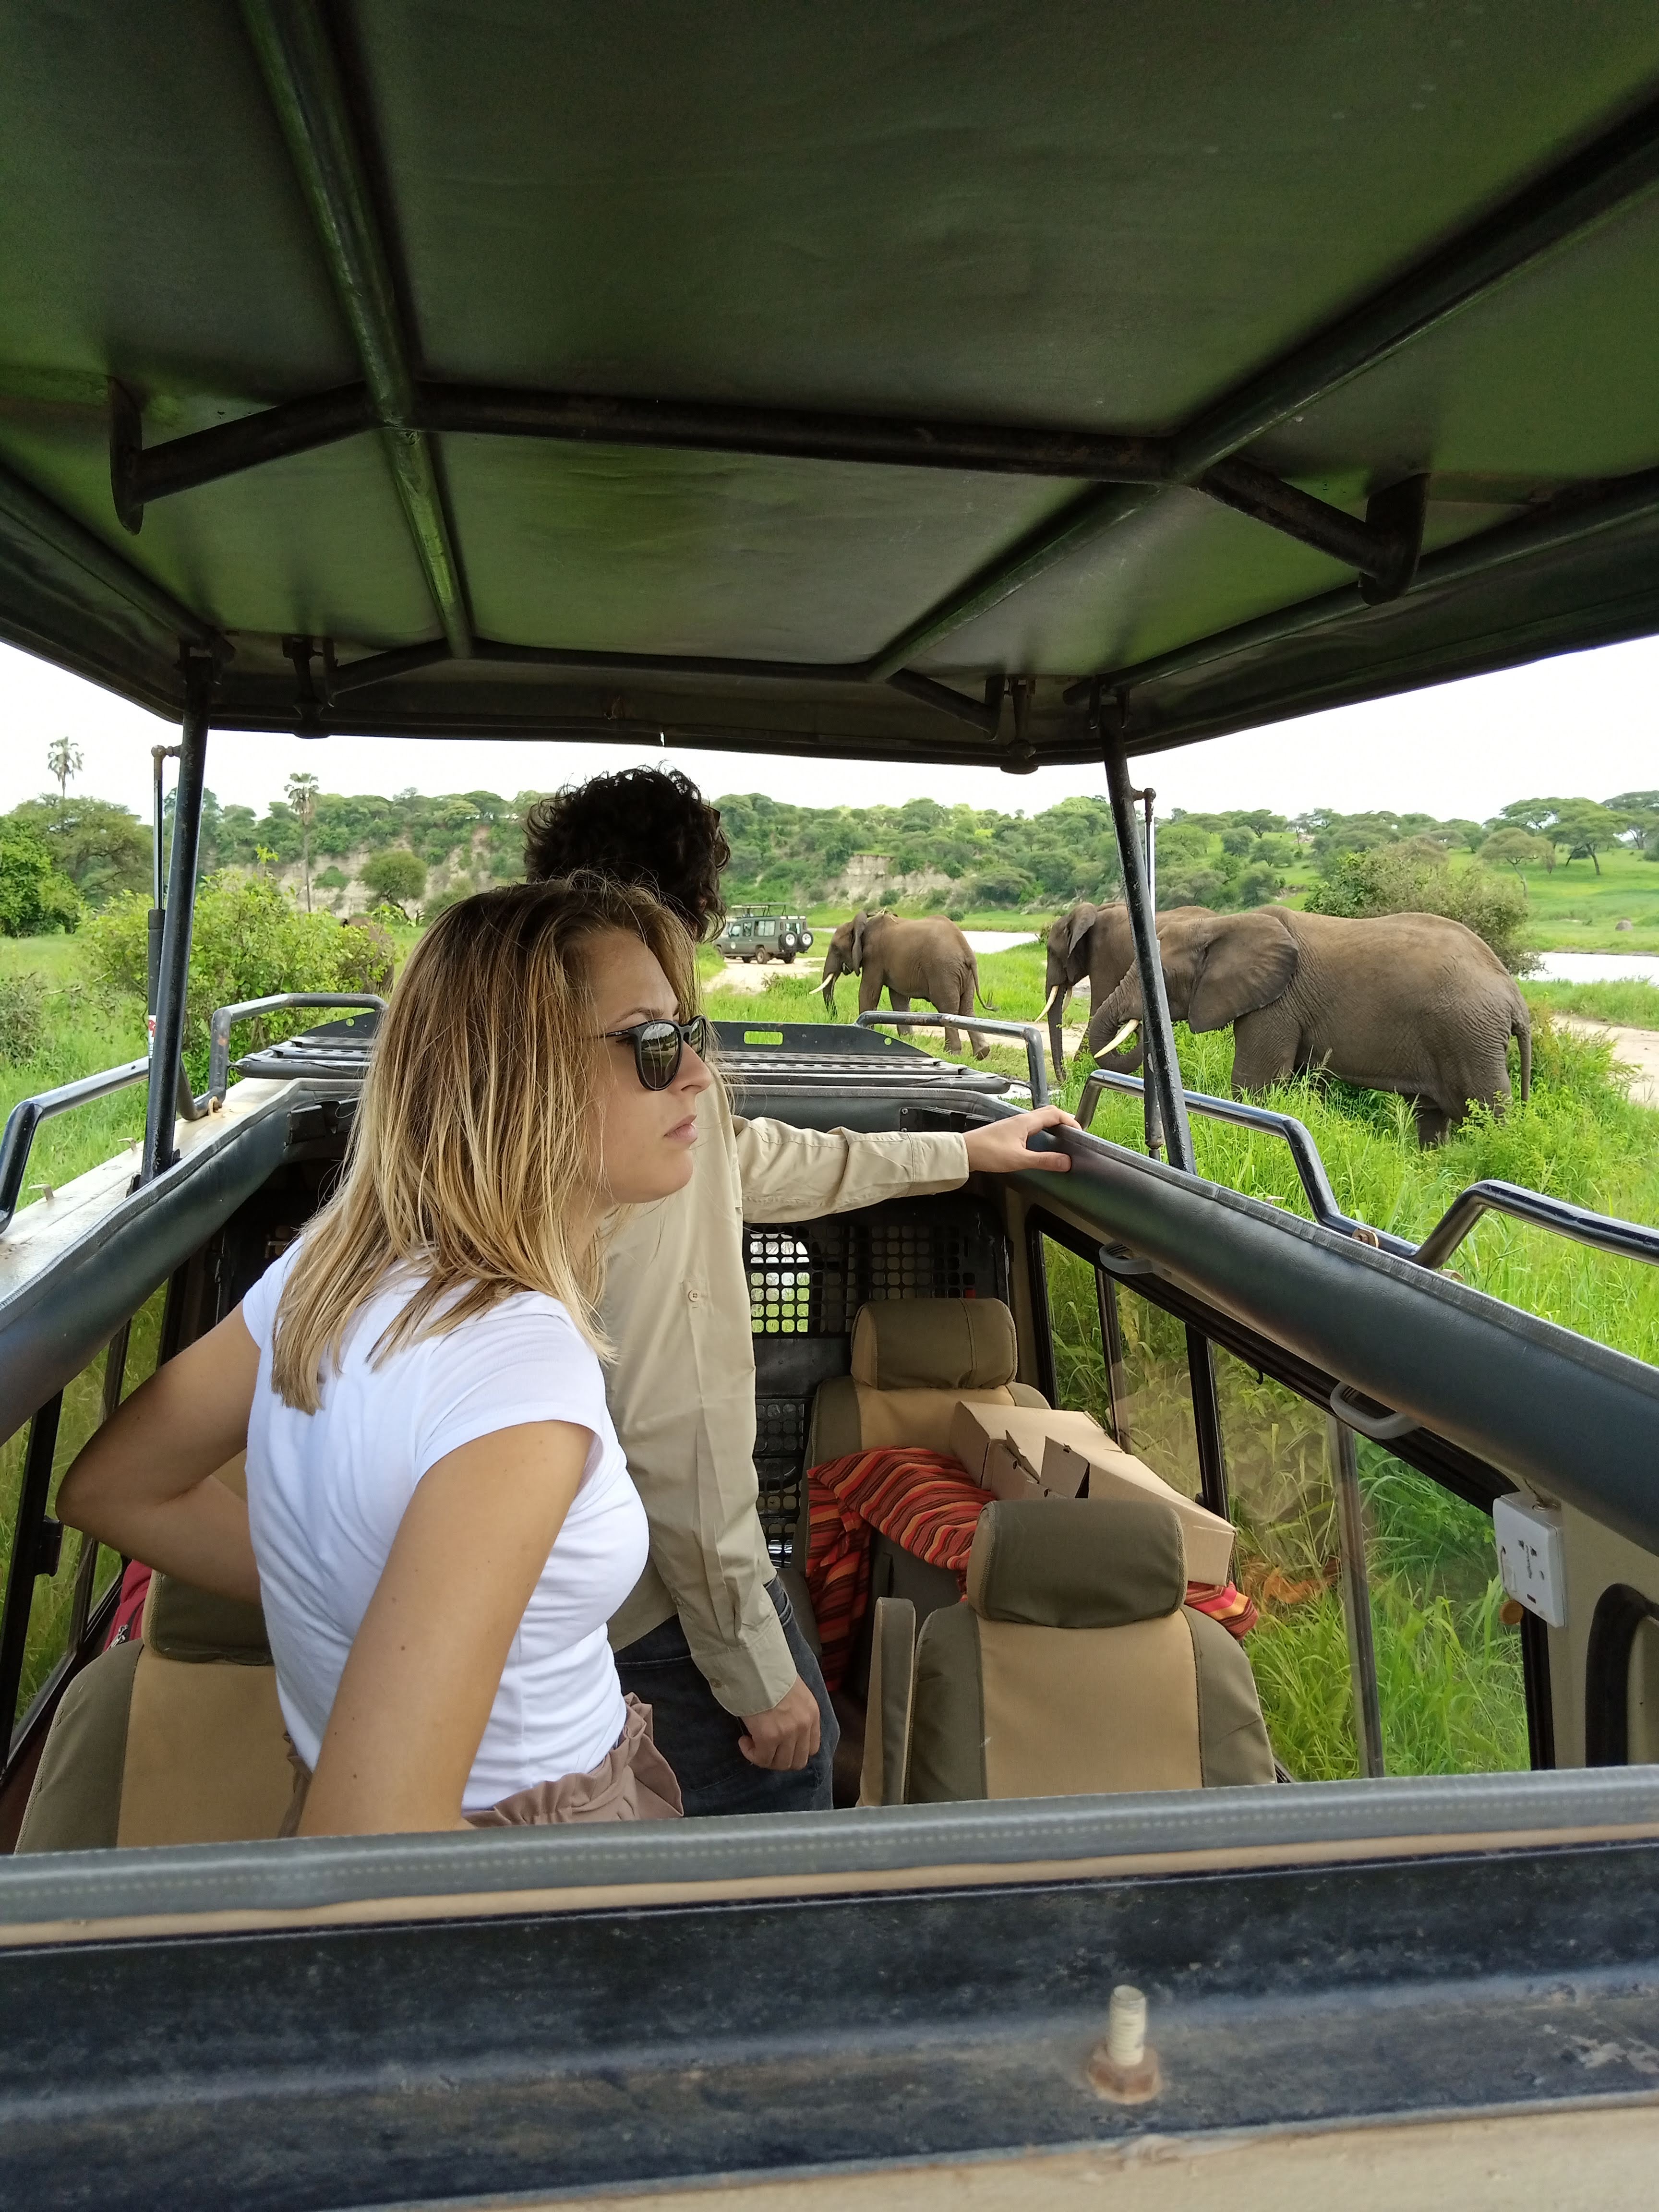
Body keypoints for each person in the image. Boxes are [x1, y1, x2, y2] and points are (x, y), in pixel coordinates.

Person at [57, 876, 718, 1834]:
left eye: (689, 1035)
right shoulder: (519, 1373)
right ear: (518, 1072)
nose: (697, 1073)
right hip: (523, 1857)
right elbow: (367, 1842)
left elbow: (113, 1488)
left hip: (346, 1768)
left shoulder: (326, 1277)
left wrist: (379, 1630)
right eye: (653, 1044)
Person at [523, 769, 1076, 1816]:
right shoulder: (633, 1135)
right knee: (790, 1791)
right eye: (663, 1040)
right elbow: (677, 1427)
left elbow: (756, 1160)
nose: (693, 1071)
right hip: (655, 1597)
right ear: (680, 921)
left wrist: (962, 1157)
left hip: (576, 1583)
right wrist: (752, 1666)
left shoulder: (540, 1094)